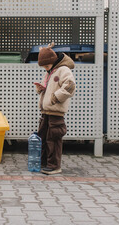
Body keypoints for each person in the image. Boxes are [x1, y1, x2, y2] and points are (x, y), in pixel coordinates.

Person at [34, 42, 76, 175]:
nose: (45, 68)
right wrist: (41, 89)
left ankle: (54, 165)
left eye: (46, 65)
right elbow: (51, 87)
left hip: (56, 112)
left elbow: (70, 87)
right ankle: (45, 162)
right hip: (46, 111)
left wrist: (55, 98)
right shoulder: (50, 72)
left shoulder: (63, 70)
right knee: (44, 137)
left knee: (53, 139)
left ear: (53, 61)